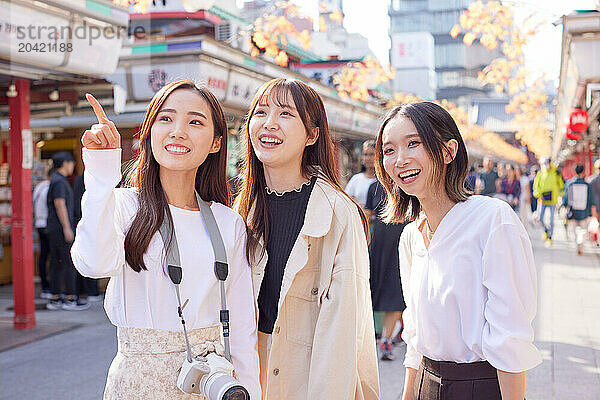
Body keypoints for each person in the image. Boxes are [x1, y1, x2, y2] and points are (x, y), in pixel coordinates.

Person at [71, 81, 260, 399]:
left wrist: (250, 392)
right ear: (149, 132)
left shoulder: (228, 224)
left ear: (215, 143)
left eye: (195, 122)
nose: (178, 131)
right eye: (166, 118)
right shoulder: (125, 206)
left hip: (211, 384)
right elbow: (92, 263)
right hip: (137, 385)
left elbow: (242, 329)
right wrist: (102, 170)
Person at [375, 102, 541, 400]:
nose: (400, 160)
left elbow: (509, 336)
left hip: (479, 387)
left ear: (448, 151)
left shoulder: (492, 219)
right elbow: (415, 337)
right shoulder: (411, 236)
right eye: (389, 150)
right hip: (427, 383)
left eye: (413, 143)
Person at [235, 78, 379, 400]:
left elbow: (343, 333)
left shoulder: (339, 213)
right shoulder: (241, 210)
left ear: (311, 134)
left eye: (285, 114)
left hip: (308, 381)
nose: (269, 124)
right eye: (261, 112)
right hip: (247, 379)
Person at [365, 179, 407, 361]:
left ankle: (385, 340)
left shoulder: (407, 184)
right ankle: (405, 329)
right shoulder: (374, 187)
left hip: (401, 245)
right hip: (380, 247)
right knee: (381, 291)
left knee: (395, 293)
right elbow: (368, 214)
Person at [46, 152, 90, 311]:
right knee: (67, 262)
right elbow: (60, 204)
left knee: (57, 263)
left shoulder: (56, 180)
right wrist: (67, 227)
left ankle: (56, 297)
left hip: (53, 228)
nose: (73, 166)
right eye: (71, 163)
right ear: (65, 163)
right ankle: (70, 298)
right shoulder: (59, 181)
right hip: (60, 228)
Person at [72, 173, 102, 302]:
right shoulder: (95, 178)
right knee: (92, 256)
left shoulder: (81, 178)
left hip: (81, 221)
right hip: (91, 222)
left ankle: (82, 291)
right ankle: (92, 292)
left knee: (84, 256)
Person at [563, 164, 595, 255]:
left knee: (574, 230)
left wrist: (565, 210)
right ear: (583, 172)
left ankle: (578, 244)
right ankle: (580, 244)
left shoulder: (570, 184)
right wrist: (591, 212)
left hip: (572, 211)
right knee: (583, 229)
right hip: (584, 211)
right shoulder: (587, 185)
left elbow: (566, 199)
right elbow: (591, 199)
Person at [533, 157, 564, 243]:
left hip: (553, 201)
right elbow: (535, 187)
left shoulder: (555, 173)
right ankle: (546, 230)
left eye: (548, 163)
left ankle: (550, 236)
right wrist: (539, 195)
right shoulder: (540, 173)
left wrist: (559, 176)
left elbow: (561, 186)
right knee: (540, 218)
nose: (547, 165)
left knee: (551, 220)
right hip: (542, 200)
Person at [32, 168, 52, 299]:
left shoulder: (39, 187)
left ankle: (44, 286)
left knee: (43, 255)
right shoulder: (50, 187)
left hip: (39, 224)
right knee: (52, 256)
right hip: (48, 224)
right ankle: (50, 287)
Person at [345, 140, 378, 210]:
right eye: (365, 154)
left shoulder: (385, 181)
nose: (368, 158)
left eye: (372, 154)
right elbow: (346, 201)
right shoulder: (356, 179)